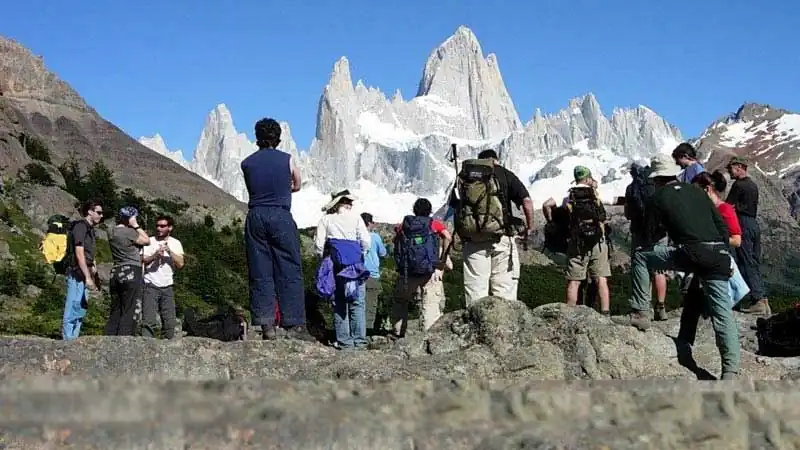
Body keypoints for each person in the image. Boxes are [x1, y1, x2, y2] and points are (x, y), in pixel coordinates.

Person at [615, 154, 740, 380]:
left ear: (656, 179)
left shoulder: (657, 197)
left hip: (690, 252)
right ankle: (730, 371)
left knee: (642, 256)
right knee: (723, 314)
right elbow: (722, 228)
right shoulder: (697, 191)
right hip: (719, 255)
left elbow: (651, 233)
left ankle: (641, 312)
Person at [240, 118, 314, 341]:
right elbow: (298, 184)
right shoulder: (287, 159)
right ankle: (294, 324)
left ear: (257, 138)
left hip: (256, 215)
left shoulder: (247, 163)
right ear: (278, 138)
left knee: (260, 270)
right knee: (289, 268)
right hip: (280, 214)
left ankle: (266, 324)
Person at [449, 149, 534, 305]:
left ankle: (476, 325)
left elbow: (454, 207)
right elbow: (527, 202)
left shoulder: (466, 176)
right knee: (504, 291)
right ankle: (504, 326)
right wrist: (529, 227)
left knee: (475, 291)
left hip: (473, 240)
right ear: (496, 160)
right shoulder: (505, 174)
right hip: (502, 238)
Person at [545, 167, 611, 314]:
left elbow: (546, 204)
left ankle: (570, 314)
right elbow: (612, 204)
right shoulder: (596, 195)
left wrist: (552, 222)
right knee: (601, 279)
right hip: (597, 243)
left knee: (574, 282)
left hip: (577, 245)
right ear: (588, 178)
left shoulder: (568, 197)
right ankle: (606, 313)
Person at [315, 190, 371, 350]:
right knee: (357, 302)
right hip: (355, 265)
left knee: (339, 302)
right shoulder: (356, 218)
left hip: (335, 265)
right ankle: (359, 340)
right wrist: (361, 254)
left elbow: (319, 245)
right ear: (347, 203)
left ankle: (345, 341)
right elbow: (366, 241)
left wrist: (323, 259)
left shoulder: (326, 219)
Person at [392, 198, 452, 337]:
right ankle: (428, 336)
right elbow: (448, 237)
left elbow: (396, 242)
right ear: (430, 211)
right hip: (429, 270)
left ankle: (398, 332)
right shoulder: (433, 224)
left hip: (407, 271)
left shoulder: (405, 225)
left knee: (400, 301)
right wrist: (441, 260)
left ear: (414, 210)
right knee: (430, 303)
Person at [624, 163, 668, 321]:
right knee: (659, 270)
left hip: (639, 233)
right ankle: (661, 308)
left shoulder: (631, 188)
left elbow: (628, 214)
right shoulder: (657, 186)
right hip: (659, 233)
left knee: (641, 267)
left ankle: (644, 308)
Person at [726, 156, 769, 315]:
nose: (729, 171)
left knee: (745, 262)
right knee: (753, 261)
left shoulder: (738, 185)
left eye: (730, 168)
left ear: (738, 167)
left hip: (742, 224)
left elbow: (728, 206)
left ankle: (757, 299)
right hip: (753, 224)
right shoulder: (752, 185)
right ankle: (762, 299)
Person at [62, 199, 103, 341]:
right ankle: (68, 340)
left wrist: (94, 275)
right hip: (76, 273)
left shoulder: (90, 230)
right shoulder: (81, 227)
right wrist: (87, 277)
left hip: (84, 273)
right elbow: (79, 253)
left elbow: (90, 256)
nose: (101, 215)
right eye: (98, 212)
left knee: (80, 308)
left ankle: (74, 338)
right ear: (90, 212)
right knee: (73, 305)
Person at [105, 207, 149, 336]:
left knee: (116, 309)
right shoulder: (129, 232)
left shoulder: (111, 231)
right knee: (129, 309)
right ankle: (124, 340)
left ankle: (109, 337)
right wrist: (136, 225)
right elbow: (146, 240)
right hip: (131, 270)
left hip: (116, 271)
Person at [141, 215, 184, 339]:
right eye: (157, 226)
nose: (159, 228)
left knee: (169, 321)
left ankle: (168, 346)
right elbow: (143, 260)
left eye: (163, 226)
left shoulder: (175, 243)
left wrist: (169, 252)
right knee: (148, 321)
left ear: (170, 228)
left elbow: (180, 263)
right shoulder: (149, 241)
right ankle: (146, 347)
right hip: (150, 285)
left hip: (167, 286)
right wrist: (155, 255)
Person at [361, 212, 388, 335]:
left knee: (357, 306)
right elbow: (383, 253)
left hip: (357, 275)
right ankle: (367, 333)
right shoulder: (375, 237)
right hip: (372, 275)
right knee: (370, 306)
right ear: (370, 223)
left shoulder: (355, 235)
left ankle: (356, 331)